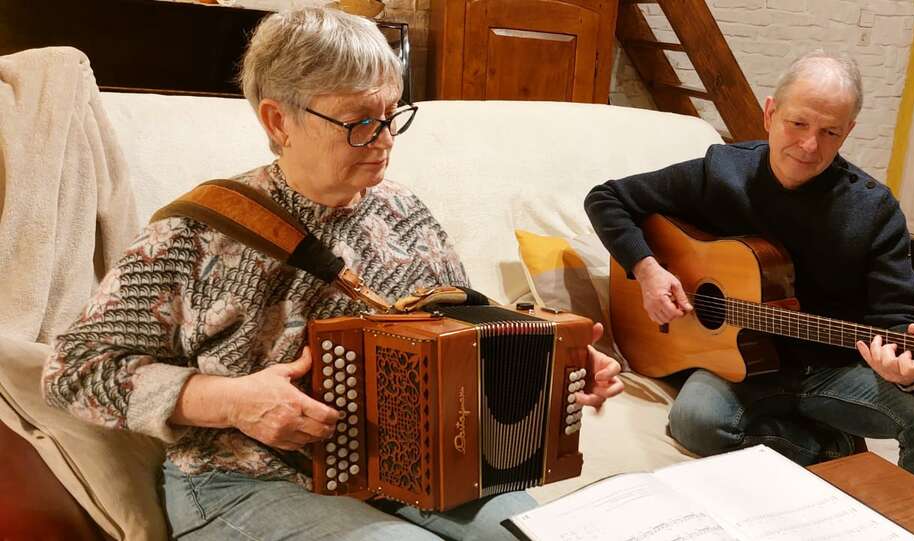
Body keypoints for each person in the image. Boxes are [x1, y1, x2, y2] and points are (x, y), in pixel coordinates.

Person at [42, 8, 624, 540]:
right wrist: (231, 401)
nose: (385, 140)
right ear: (279, 121)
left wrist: (555, 367)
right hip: (242, 477)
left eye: (393, 115)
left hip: (412, 469)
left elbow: (462, 331)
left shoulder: (405, 211)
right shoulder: (193, 232)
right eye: (359, 121)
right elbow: (72, 369)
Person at [584, 50, 914, 497]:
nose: (809, 146)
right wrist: (647, 269)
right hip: (738, 367)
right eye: (798, 124)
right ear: (770, 113)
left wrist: (912, 369)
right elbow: (607, 198)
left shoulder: (873, 208)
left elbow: (901, 312)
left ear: (849, 132)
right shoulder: (722, 171)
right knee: (695, 420)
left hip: (835, 368)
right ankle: (836, 459)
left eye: (830, 133)